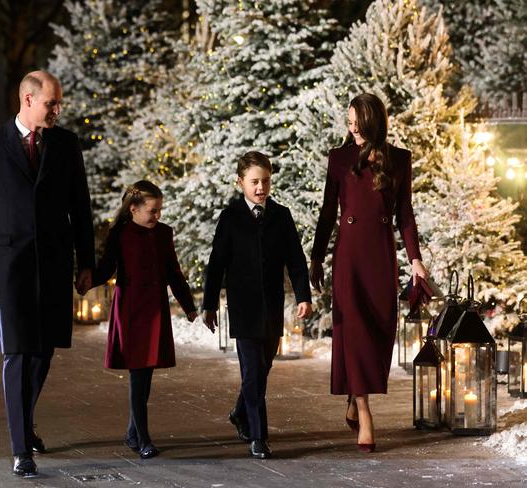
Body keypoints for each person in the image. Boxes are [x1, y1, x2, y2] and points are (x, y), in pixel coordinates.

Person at [0, 71, 96, 477]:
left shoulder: (66, 143)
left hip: (54, 261)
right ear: (27, 99)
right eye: (51, 103)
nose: (58, 110)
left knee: (44, 350)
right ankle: (21, 448)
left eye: (59, 104)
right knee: (17, 351)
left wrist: (86, 262)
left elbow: (81, 207)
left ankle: (24, 416)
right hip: (8, 263)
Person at [309, 93, 429, 453]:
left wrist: (415, 259)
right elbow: (328, 212)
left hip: (381, 256)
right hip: (349, 257)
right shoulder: (339, 158)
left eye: (358, 122)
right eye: (349, 122)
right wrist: (316, 257)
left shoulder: (399, 160)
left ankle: (353, 392)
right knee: (355, 330)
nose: (353, 128)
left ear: (373, 122)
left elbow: (405, 214)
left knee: (378, 331)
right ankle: (364, 410)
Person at [202, 151, 312, 459]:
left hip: (272, 306)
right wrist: (209, 304)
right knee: (251, 371)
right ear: (241, 183)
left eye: (265, 181)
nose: (260, 187)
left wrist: (304, 296)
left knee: (263, 368)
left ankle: (240, 412)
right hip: (243, 307)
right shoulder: (230, 217)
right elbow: (216, 263)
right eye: (254, 182)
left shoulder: (281, 215)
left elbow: (296, 260)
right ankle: (258, 435)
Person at [92, 180, 197, 459]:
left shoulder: (163, 233)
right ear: (134, 209)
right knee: (138, 375)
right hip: (130, 312)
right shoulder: (121, 234)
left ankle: (132, 432)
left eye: (160, 210)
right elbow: (105, 269)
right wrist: (85, 281)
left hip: (155, 310)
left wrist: (189, 306)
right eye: (152, 210)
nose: (157, 216)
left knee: (145, 375)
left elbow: (174, 272)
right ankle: (143, 439)